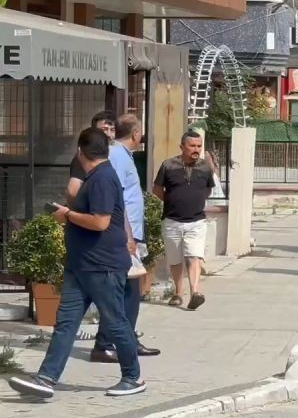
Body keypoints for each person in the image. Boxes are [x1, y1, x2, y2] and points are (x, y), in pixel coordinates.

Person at [9, 128, 146, 400]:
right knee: (66, 323)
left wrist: (68, 215)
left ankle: (133, 377)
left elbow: (101, 222)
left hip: (102, 267)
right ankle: (47, 378)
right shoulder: (94, 177)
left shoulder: (103, 178)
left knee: (116, 322)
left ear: (80, 151)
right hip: (81, 266)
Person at [92, 114, 160, 362]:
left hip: (130, 232)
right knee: (124, 291)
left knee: (128, 290)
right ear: (135, 134)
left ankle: (124, 340)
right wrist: (126, 235)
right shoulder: (118, 156)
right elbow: (115, 197)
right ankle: (108, 343)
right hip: (123, 234)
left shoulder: (123, 155)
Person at [153, 131, 216, 309]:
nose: (196, 149)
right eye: (192, 146)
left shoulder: (205, 167)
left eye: (199, 146)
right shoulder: (168, 165)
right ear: (182, 147)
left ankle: (195, 292)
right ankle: (178, 293)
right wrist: (173, 201)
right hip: (172, 220)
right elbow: (157, 190)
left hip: (196, 221)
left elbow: (208, 190)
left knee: (194, 255)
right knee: (175, 259)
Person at [67, 110, 116, 202]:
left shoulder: (116, 155)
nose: (109, 135)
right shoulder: (84, 157)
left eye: (112, 130)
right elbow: (72, 191)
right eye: (104, 130)